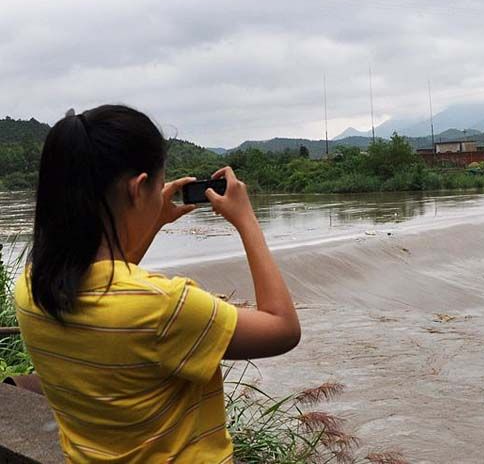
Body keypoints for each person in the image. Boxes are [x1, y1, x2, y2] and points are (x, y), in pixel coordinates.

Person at [14, 105, 301, 462]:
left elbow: (111, 288)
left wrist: (151, 221)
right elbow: (283, 328)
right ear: (138, 189)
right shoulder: (166, 306)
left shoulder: (32, 287)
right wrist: (246, 220)